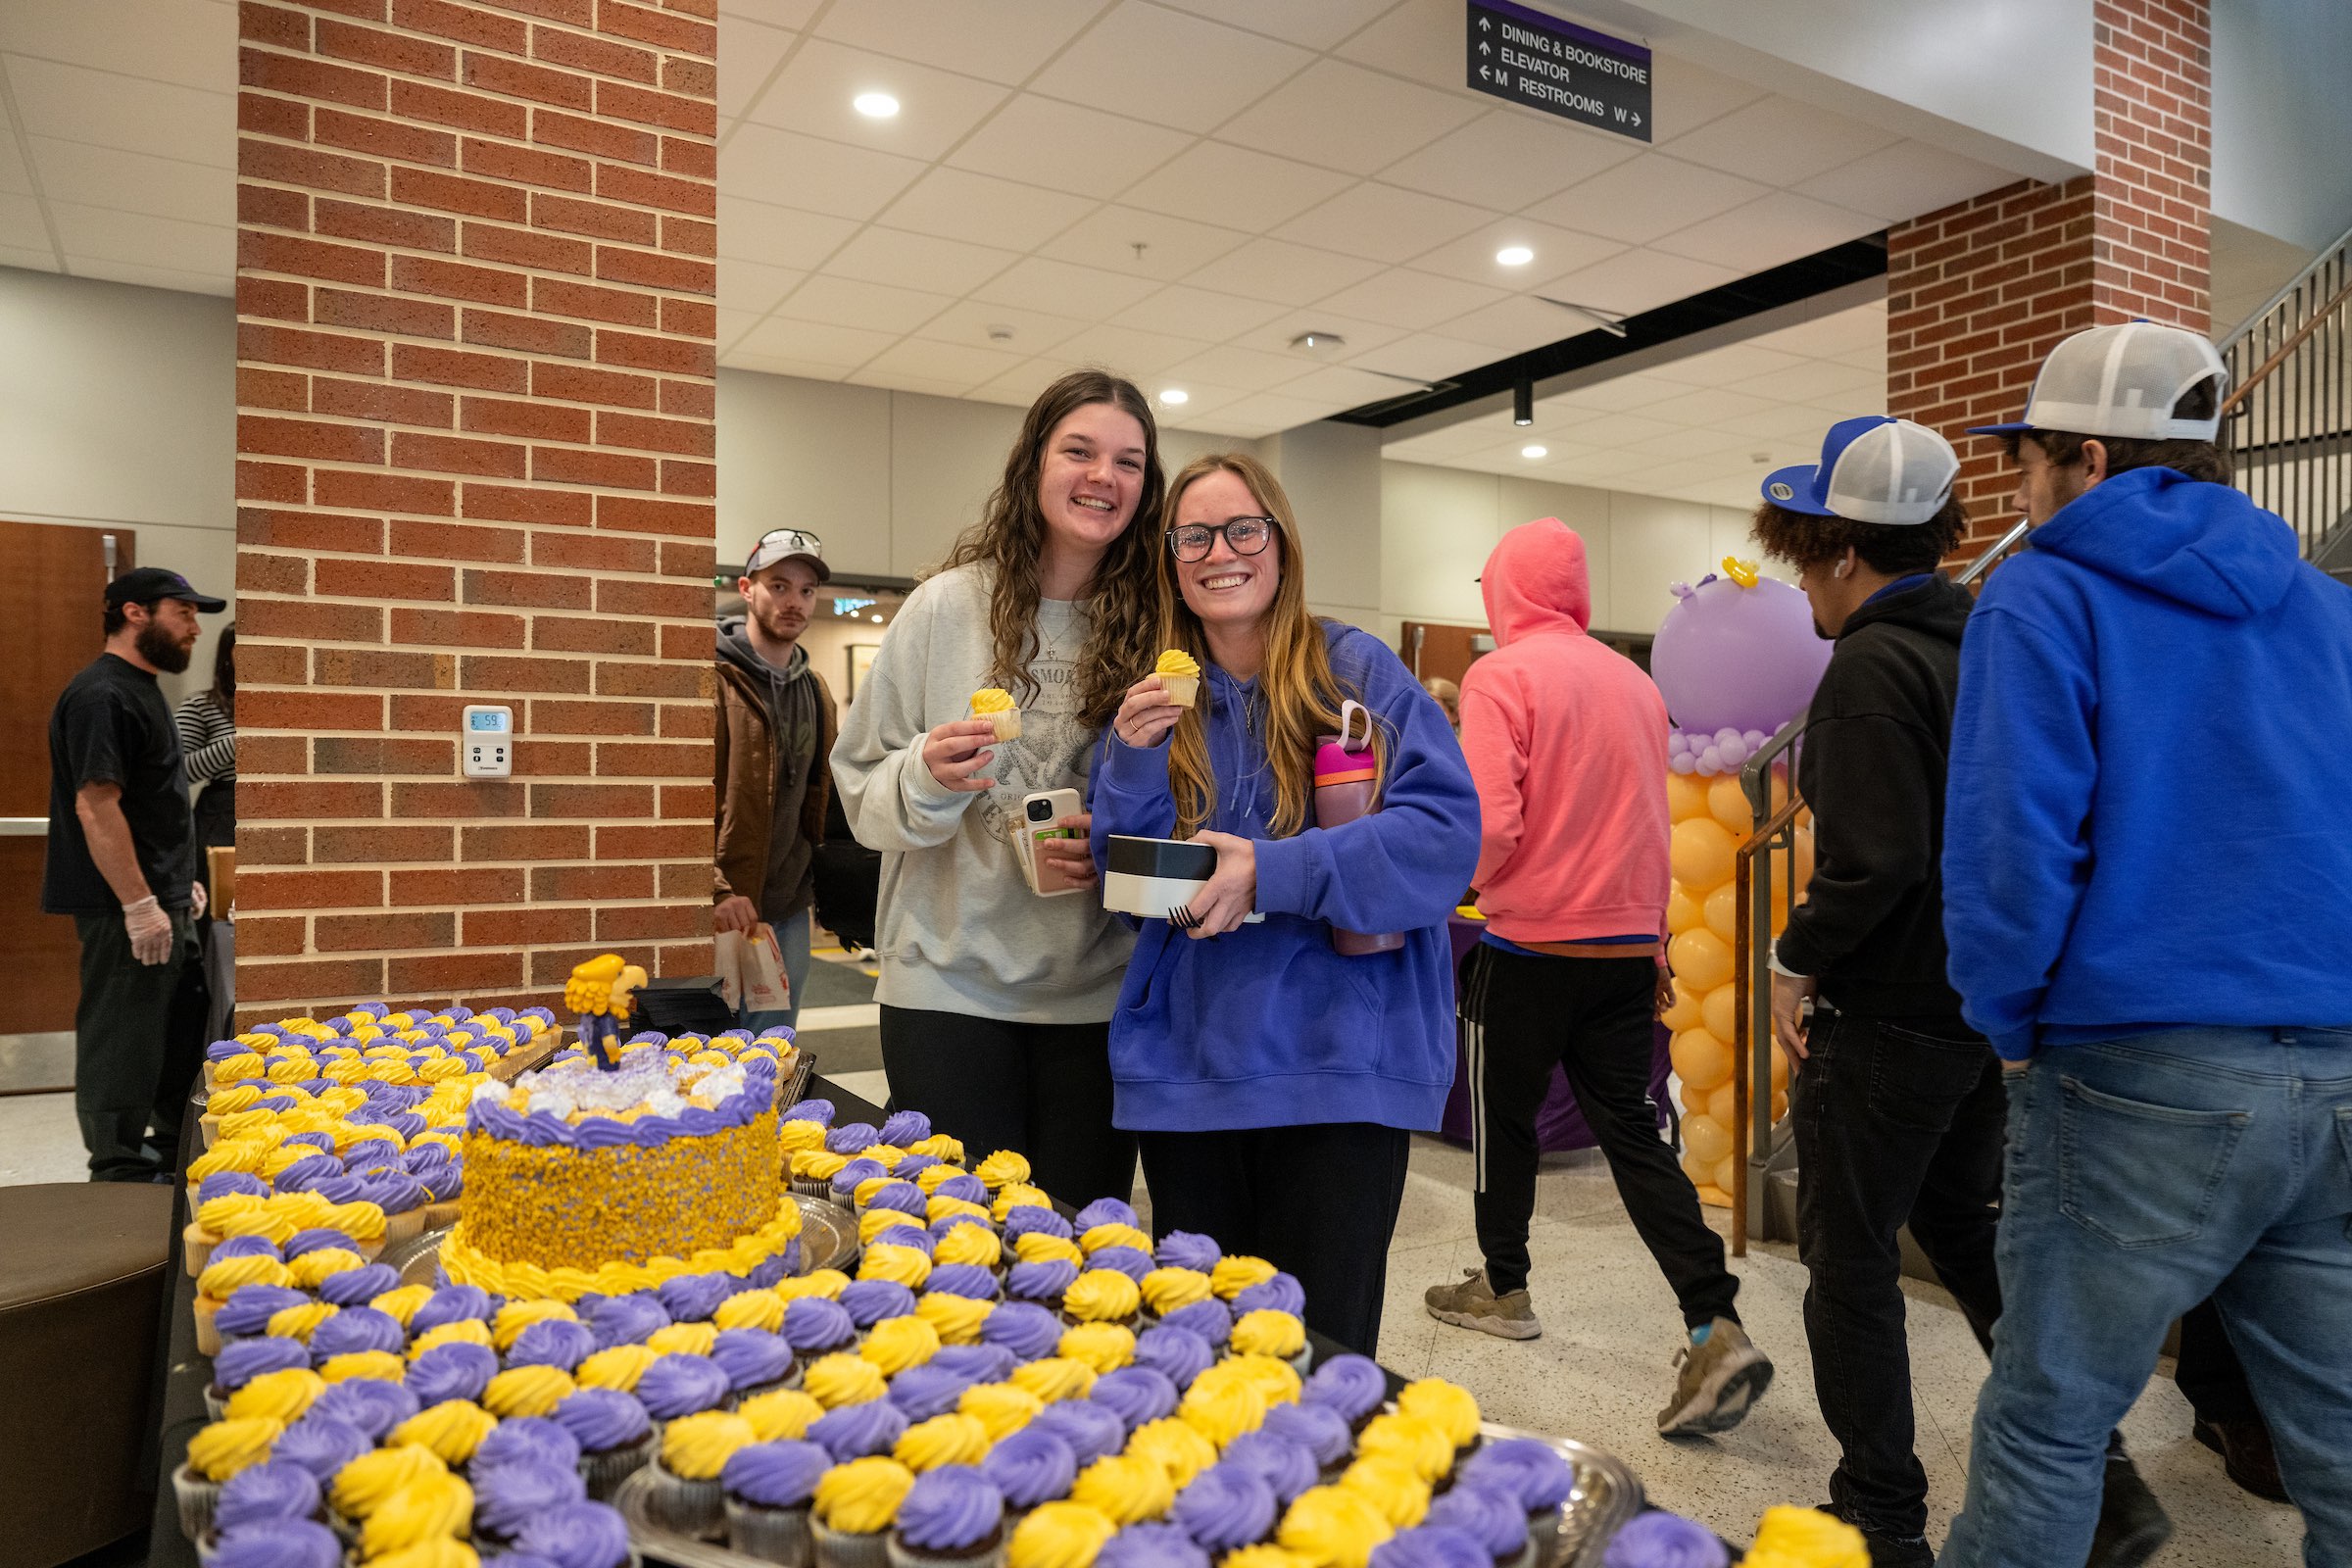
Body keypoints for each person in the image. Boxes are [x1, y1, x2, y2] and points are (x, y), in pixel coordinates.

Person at [1938, 321, 2352, 1568]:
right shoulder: (2327, 608)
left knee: (2049, 1424)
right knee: (2342, 1432)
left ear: (2089, 456)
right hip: (2332, 1067)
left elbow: (2012, 852)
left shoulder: (2042, 592)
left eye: (2027, 461)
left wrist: (2009, 1027)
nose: (2018, 490)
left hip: (2133, 1069)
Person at [1750, 417, 2165, 1567]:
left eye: (1804, 557)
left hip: (1886, 1018)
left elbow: (1876, 861)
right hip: (1983, 1009)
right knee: (1969, 1241)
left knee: (1849, 1264)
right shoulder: (1986, 638)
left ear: (1837, 550)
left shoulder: (1870, 667)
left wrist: (1794, 956)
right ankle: (2110, 1487)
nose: (1804, 585)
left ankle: (1879, 1512)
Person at [1090, 452, 1478, 1353]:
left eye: (1242, 529)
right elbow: (1134, 894)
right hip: (1188, 1078)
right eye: (1194, 534)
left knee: (1321, 1367)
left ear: (1280, 544)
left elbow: (1444, 839)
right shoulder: (1156, 697)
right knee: (1204, 1366)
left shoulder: (1358, 672)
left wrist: (1274, 871)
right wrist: (1133, 758)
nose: (1219, 551)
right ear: (1171, 557)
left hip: (1337, 1076)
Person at [1421, 517, 1773, 1436]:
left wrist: (1464, 882)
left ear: (1507, 590)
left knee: (1505, 1125)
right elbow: (1649, 824)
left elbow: (1492, 822)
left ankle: (1504, 1286)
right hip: (1624, 950)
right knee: (1634, 1136)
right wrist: (1653, 940)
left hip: (1528, 948)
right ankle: (1713, 1317)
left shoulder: (1503, 676)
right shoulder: (1635, 681)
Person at [832, 369, 1162, 1203]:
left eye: (1128, 461)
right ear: (1033, 465)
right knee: (955, 1251)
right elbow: (859, 794)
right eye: (1079, 451)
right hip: (947, 988)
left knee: (1081, 1257)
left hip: (1098, 997)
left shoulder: (1160, 625)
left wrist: (1119, 840)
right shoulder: (946, 608)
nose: (1103, 476)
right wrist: (925, 775)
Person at [43, 566, 225, 1182]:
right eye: (184, 612)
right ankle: (116, 1166)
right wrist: (141, 904)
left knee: (167, 1031)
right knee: (121, 1035)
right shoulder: (102, 695)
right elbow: (97, 806)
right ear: (135, 613)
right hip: (123, 905)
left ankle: (160, 1145)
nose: (195, 628)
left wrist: (179, 882)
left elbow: (154, 805)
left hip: (164, 894)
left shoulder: (143, 688)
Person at [715, 528, 840, 1034]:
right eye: (779, 586)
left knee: (773, 1051)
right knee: (708, 1056)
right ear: (748, 589)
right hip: (722, 908)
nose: (795, 602)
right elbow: (675, 802)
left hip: (787, 908)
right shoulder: (712, 680)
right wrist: (715, 890)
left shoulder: (815, 691)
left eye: (806, 590)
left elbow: (820, 800)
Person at [176, 623, 236, 854]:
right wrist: (239, 742)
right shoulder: (200, 705)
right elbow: (179, 772)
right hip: (223, 815)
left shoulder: (285, 708)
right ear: (228, 656)